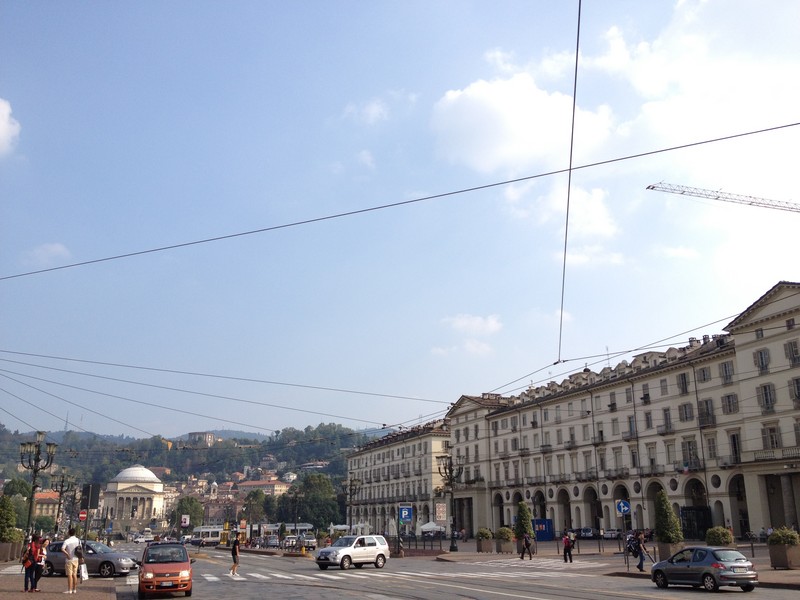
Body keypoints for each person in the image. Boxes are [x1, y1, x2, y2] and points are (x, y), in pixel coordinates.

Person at [62, 528, 81, 594]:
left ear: (69, 533)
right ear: (75, 533)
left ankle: (69, 590)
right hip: (76, 559)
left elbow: (62, 549)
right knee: (74, 574)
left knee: (69, 575)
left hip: (69, 559)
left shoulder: (67, 541)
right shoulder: (78, 540)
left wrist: (67, 554)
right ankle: (74, 589)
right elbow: (80, 549)